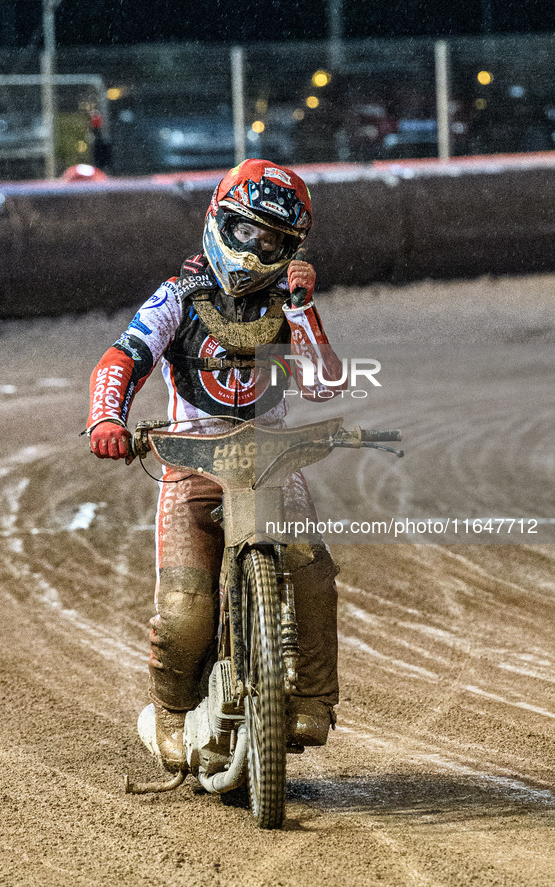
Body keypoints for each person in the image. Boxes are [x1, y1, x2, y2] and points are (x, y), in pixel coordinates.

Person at [86, 159, 343, 772]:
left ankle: (309, 698)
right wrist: (105, 419)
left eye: (273, 240)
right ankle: (171, 712)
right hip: (192, 459)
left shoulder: (290, 301)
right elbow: (121, 359)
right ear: (219, 223)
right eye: (249, 232)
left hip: (273, 460)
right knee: (184, 609)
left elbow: (325, 384)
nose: (258, 249)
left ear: (291, 248)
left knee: (312, 575)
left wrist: (304, 311)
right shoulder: (176, 297)